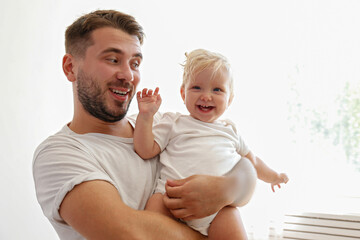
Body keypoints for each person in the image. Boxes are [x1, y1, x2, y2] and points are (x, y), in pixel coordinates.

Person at [32, 10, 258, 240]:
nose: (128, 75)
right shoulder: (60, 154)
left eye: (135, 63)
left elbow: (243, 165)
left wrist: (227, 188)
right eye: (113, 59)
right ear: (71, 67)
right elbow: (130, 233)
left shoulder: (162, 124)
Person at [133, 49, 289, 238]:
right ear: (183, 93)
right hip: (171, 199)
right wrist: (145, 117)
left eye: (217, 90)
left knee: (231, 215)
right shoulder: (173, 122)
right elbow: (145, 150)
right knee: (151, 218)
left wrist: (273, 177)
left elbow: (252, 163)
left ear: (229, 98)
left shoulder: (230, 131)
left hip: (218, 209)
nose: (206, 96)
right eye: (197, 88)